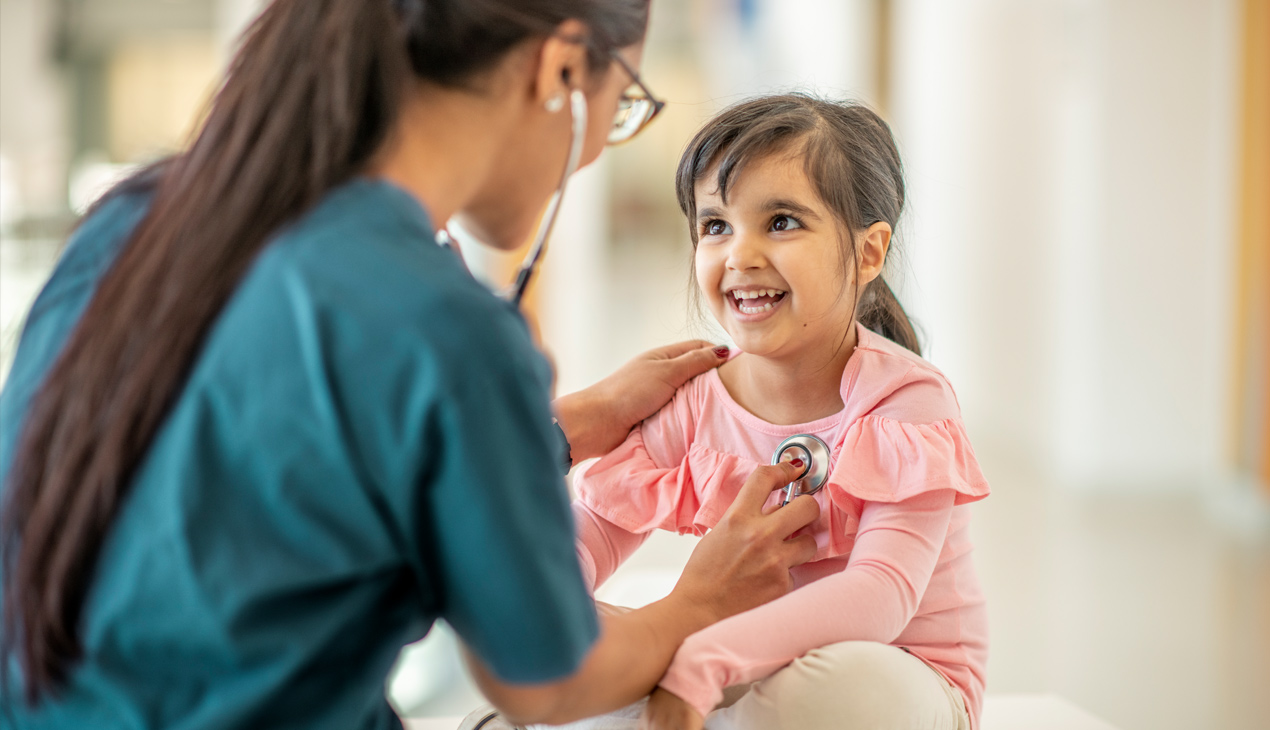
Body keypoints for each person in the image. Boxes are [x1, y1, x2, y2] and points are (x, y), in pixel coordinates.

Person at [0, 3, 822, 728]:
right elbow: (547, 676)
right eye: (624, 104)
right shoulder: (447, 327)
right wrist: (698, 600)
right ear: (563, 69)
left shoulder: (131, 219)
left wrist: (562, 427)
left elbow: (274, 467)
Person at [561, 95, 992, 730]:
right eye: (716, 225)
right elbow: (588, 534)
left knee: (821, 691)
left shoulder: (906, 399)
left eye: (782, 221)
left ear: (869, 253)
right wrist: (561, 621)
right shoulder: (694, 398)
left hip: (896, 674)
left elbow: (882, 595)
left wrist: (701, 661)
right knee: (593, 642)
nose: (740, 255)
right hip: (740, 671)